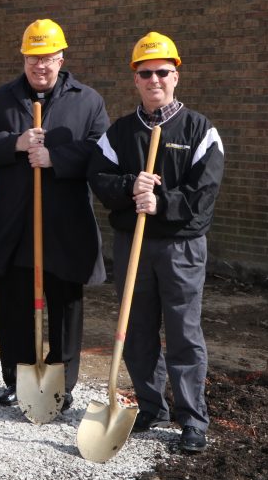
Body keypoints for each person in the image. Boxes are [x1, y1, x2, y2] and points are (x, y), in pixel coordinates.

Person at [88, 31, 224, 453]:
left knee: (184, 332)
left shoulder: (200, 130)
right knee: (138, 329)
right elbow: (99, 179)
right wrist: (132, 187)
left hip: (181, 248)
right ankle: (150, 405)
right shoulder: (120, 133)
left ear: (175, 75)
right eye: (145, 73)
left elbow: (203, 199)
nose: (154, 80)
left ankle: (192, 418)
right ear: (135, 79)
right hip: (133, 244)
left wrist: (159, 200)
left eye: (162, 72)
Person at [0, 18, 108, 411]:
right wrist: (16, 142)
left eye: (47, 58)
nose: (40, 66)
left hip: (66, 225)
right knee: (14, 305)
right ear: (24, 58)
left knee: (66, 306)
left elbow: (102, 151)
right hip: (16, 224)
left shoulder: (88, 101)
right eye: (33, 57)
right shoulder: (4, 98)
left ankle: (61, 382)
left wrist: (55, 157)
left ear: (61, 58)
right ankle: (18, 378)